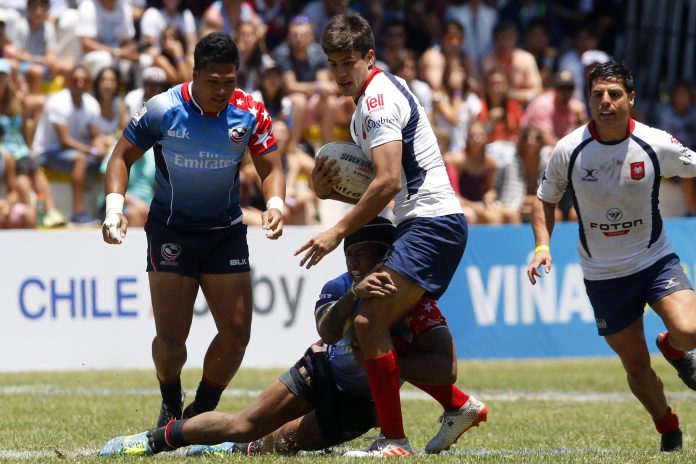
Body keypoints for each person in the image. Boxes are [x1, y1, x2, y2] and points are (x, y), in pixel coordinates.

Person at [98, 218, 487, 457]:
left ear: (387, 258)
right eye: (349, 255)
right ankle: (153, 439)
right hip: (319, 370)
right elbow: (327, 331)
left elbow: (445, 368)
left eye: (363, 254)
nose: (353, 262)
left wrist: (382, 362)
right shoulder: (341, 286)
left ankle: (219, 451)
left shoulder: (415, 302)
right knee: (243, 424)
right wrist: (354, 295)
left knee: (267, 446)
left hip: (360, 406)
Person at [295, 14, 469, 457]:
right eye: (333, 63)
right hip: (424, 223)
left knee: (368, 322)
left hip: (431, 223)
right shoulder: (370, 102)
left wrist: (336, 232)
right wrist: (323, 187)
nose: (339, 73)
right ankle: (457, 405)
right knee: (372, 326)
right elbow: (368, 179)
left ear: (369, 57)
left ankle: (394, 439)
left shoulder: (376, 103)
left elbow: (389, 181)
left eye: (348, 62)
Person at [101, 32, 286, 428]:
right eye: (213, 81)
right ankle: (170, 404)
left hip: (225, 232)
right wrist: (114, 208)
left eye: (230, 81)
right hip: (171, 232)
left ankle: (199, 413)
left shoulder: (250, 110)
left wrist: (275, 204)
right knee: (170, 341)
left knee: (236, 336)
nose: (222, 90)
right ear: (195, 74)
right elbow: (120, 157)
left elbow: (271, 167)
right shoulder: (162, 109)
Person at [527, 61, 696, 452]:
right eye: (598, 95)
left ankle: (673, 347)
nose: (605, 102)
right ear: (588, 100)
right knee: (636, 368)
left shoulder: (657, 143)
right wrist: (541, 246)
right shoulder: (568, 149)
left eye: (614, 94)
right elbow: (544, 199)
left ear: (631, 99)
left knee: (689, 331)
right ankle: (668, 427)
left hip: (655, 261)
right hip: (603, 276)